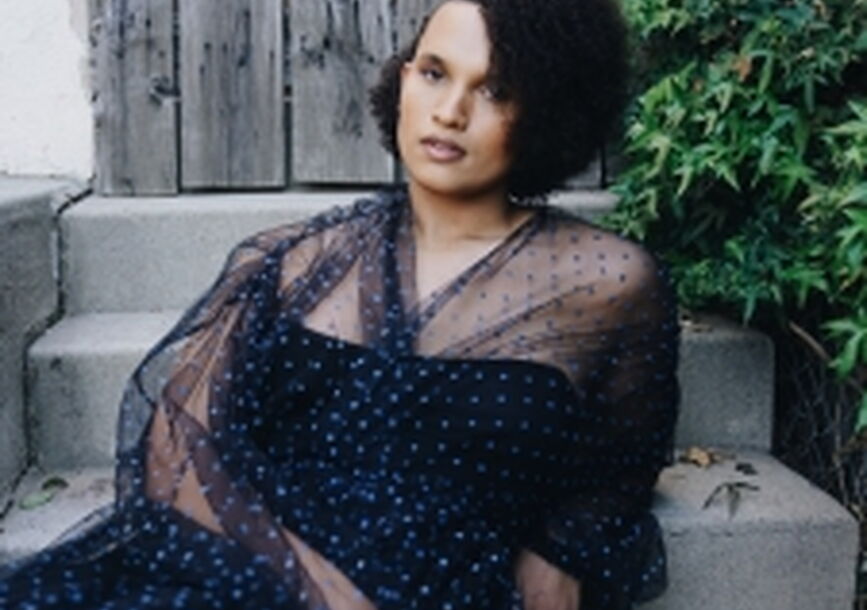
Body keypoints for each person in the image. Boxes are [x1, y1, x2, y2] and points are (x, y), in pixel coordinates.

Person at [0, 0, 679, 608]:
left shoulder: (607, 283)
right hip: (261, 572)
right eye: (434, 73)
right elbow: (182, 441)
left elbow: (622, 458)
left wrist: (558, 547)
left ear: (547, 111)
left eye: (494, 89)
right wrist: (320, 591)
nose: (449, 112)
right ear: (402, 80)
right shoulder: (299, 261)